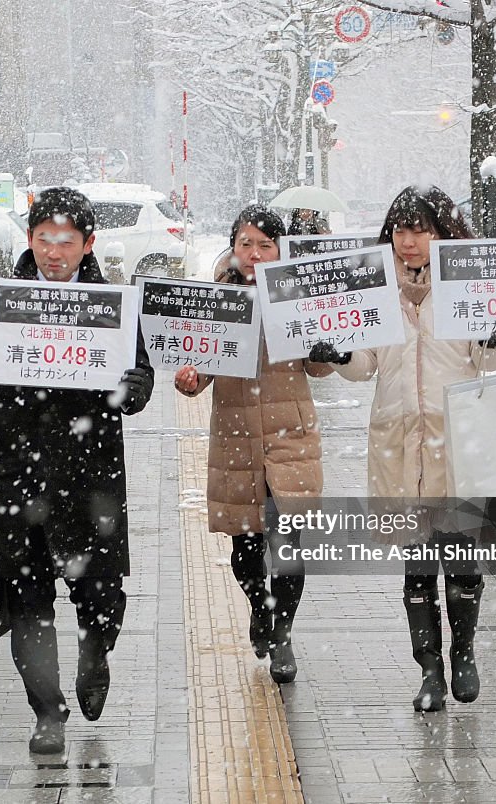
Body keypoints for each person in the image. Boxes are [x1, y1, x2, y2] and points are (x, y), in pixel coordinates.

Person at [0, 187, 154, 754]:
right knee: (28, 603)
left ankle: (96, 653)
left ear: (89, 244)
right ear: (29, 240)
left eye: (67, 240)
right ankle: (46, 712)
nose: (54, 251)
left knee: (100, 593)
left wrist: (135, 385)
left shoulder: (110, 307)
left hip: (88, 478)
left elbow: (133, 388)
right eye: (44, 238)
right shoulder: (7, 303)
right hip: (16, 477)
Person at [308, 185, 496, 712]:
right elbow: (366, 367)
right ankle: (429, 670)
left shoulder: (465, 287)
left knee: (462, 562)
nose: (410, 242)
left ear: (442, 233)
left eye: (421, 229)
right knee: (418, 568)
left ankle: (464, 651)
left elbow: (488, 365)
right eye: (401, 230)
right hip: (399, 446)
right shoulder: (376, 291)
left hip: (457, 445)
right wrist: (337, 354)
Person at [174, 204, 334, 684]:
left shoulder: (298, 295)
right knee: (245, 546)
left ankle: (282, 632)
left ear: (280, 249)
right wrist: (187, 378)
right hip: (237, 439)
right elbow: (196, 373)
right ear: (233, 247)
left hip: (291, 435)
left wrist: (327, 348)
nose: (256, 253)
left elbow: (320, 367)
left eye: (266, 244)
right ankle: (258, 608)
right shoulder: (216, 301)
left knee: (287, 544)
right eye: (247, 243)